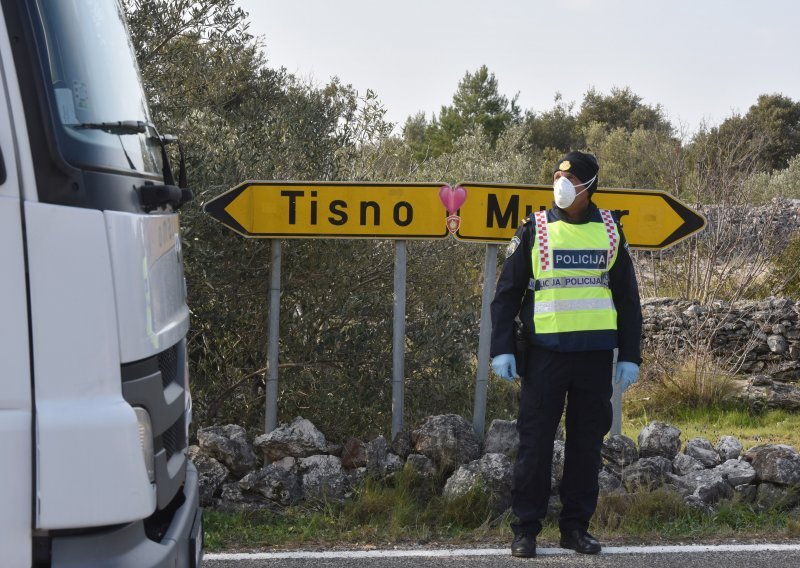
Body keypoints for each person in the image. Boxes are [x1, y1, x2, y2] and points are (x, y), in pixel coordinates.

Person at [490, 151, 643, 558]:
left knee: (586, 445)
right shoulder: (535, 229)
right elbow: (505, 296)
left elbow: (628, 300)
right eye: (557, 175)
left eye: (569, 176)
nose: (560, 182)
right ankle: (525, 529)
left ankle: (575, 528)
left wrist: (630, 354)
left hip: (594, 356)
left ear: (589, 186)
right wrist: (502, 347)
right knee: (535, 444)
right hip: (545, 355)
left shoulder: (611, 230)